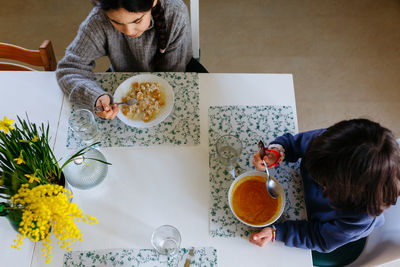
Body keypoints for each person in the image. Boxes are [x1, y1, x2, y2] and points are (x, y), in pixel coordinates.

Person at [250, 119, 400, 253]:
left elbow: (319, 238)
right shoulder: (332, 144)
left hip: (324, 233)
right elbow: (294, 144)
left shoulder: (359, 218)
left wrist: (279, 232)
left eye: (323, 184)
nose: (318, 182)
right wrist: (277, 153)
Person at [57, 0, 206, 120]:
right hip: (123, 73)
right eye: (116, 22)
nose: (129, 31)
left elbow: (173, 76)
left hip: (177, 71)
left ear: (153, 2)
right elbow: (68, 69)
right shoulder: (98, 21)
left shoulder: (175, 13)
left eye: (137, 20)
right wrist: (95, 97)